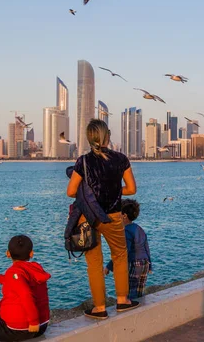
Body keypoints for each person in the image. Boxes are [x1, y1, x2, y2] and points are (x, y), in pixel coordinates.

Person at [66, 119, 139, 320]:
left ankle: (99, 308)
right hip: (113, 216)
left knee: (94, 263)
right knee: (120, 256)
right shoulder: (121, 159)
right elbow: (131, 189)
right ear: (107, 135)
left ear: (90, 138)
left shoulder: (83, 161)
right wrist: (115, 191)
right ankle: (122, 300)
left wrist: (93, 195)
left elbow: (71, 191)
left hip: (88, 217)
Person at [104, 199, 152, 299]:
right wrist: (150, 266)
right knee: (139, 291)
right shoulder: (139, 228)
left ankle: (131, 310)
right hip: (145, 263)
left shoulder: (125, 231)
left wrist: (109, 266)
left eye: (118, 214)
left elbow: (123, 252)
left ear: (124, 215)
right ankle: (140, 309)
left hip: (135, 263)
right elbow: (146, 248)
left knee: (130, 293)